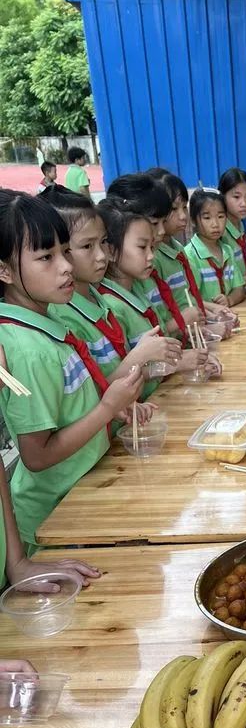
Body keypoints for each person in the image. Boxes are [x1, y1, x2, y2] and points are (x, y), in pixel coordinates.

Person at [0, 191, 142, 549]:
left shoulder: (45, 329)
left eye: (64, 251)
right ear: (4, 270)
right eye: (45, 257)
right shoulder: (28, 350)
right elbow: (36, 456)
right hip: (54, 518)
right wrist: (107, 408)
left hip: (84, 492)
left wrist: (116, 408)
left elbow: (70, 410)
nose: (65, 266)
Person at [42, 189, 180, 386]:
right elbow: (96, 395)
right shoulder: (63, 317)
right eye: (87, 246)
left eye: (104, 242)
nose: (101, 255)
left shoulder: (99, 299)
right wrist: (139, 356)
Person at [97, 197, 215, 393]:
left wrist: (189, 359)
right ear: (110, 251)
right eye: (142, 247)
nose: (151, 256)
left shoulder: (136, 291)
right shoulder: (110, 306)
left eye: (152, 247)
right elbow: (117, 378)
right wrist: (178, 363)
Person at [106, 174, 199, 341]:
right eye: (154, 223)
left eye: (163, 222)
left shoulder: (137, 280)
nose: (161, 231)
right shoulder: (115, 298)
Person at [147, 169, 234, 339]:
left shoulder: (177, 248)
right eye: (173, 209)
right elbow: (164, 320)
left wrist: (210, 315)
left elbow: (188, 301)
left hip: (193, 336)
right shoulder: (152, 259)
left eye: (184, 207)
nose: (182, 216)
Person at [184, 189, 246, 307]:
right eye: (207, 218)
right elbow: (190, 299)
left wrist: (229, 300)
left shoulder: (227, 250)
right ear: (193, 221)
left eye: (220, 216)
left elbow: (239, 288)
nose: (215, 224)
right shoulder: (189, 255)